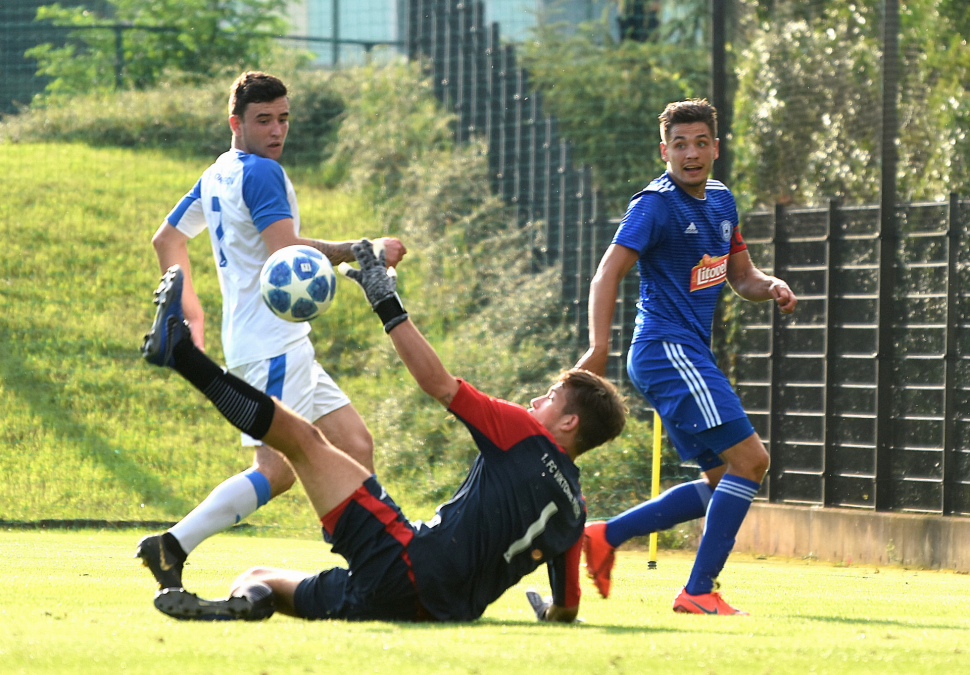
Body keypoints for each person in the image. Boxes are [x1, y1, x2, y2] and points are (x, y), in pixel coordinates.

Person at [138, 239, 627, 622]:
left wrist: (384, 299)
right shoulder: (574, 512)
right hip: (420, 610)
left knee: (302, 440)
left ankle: (181, 355)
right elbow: (567, 610)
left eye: (549, 399)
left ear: (568, 424)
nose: (535, 401)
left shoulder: (524, 432)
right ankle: (245, 603)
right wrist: (544, 607)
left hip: (407, 563)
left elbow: (436, 383)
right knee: (256, 577)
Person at [136, 71, 407, 593]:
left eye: (283, 118)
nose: (276, 130)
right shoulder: (259, 173)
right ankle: (172, 544)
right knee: (277, 470)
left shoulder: (217, 173)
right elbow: (287, 251)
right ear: (235, 122)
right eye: (263, 120)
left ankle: (369, 563)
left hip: (276, 342)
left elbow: (166, 240)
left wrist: (191, 312)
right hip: (270, 345)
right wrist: (364, 248)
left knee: (354, 442)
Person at [576, 99, 797, 616]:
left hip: (683, 352)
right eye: (680, 145)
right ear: (665, 151)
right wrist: (599, 346)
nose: (691, 153)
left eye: (700, 143)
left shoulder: (722, 201)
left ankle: (606, 536)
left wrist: (771, 286)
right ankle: (699, 591)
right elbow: (607, 273)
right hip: (664, 348)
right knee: (753, 461)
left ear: (715, 148)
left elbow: (741, 277)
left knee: (724, 478)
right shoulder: (653, 205)